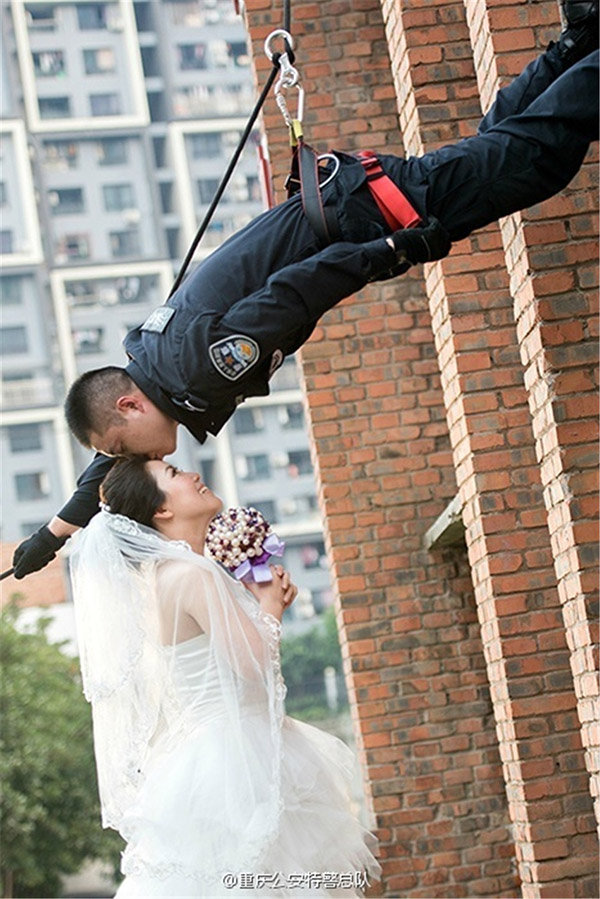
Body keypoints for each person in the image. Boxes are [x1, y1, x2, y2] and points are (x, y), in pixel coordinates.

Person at [12, 1, 599, 578]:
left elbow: (296, 292)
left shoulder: (201, 374)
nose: (146, 459)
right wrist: (54, 533)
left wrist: (392, 251)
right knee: (500, 154)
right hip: (351, 203)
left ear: (129, 405)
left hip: (370, 219)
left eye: (124, 449)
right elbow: (108, 456)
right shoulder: (155, 361)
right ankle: (579, 37)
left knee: (531, 161)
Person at [69, 456, 381, 897]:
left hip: (217, 748)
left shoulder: (173, 572)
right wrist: (270, 606)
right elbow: (252, 667)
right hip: (233, 756)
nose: (193, 475)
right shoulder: (190, 573)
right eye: (174, 474)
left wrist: (262, 604)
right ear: (161, 510)